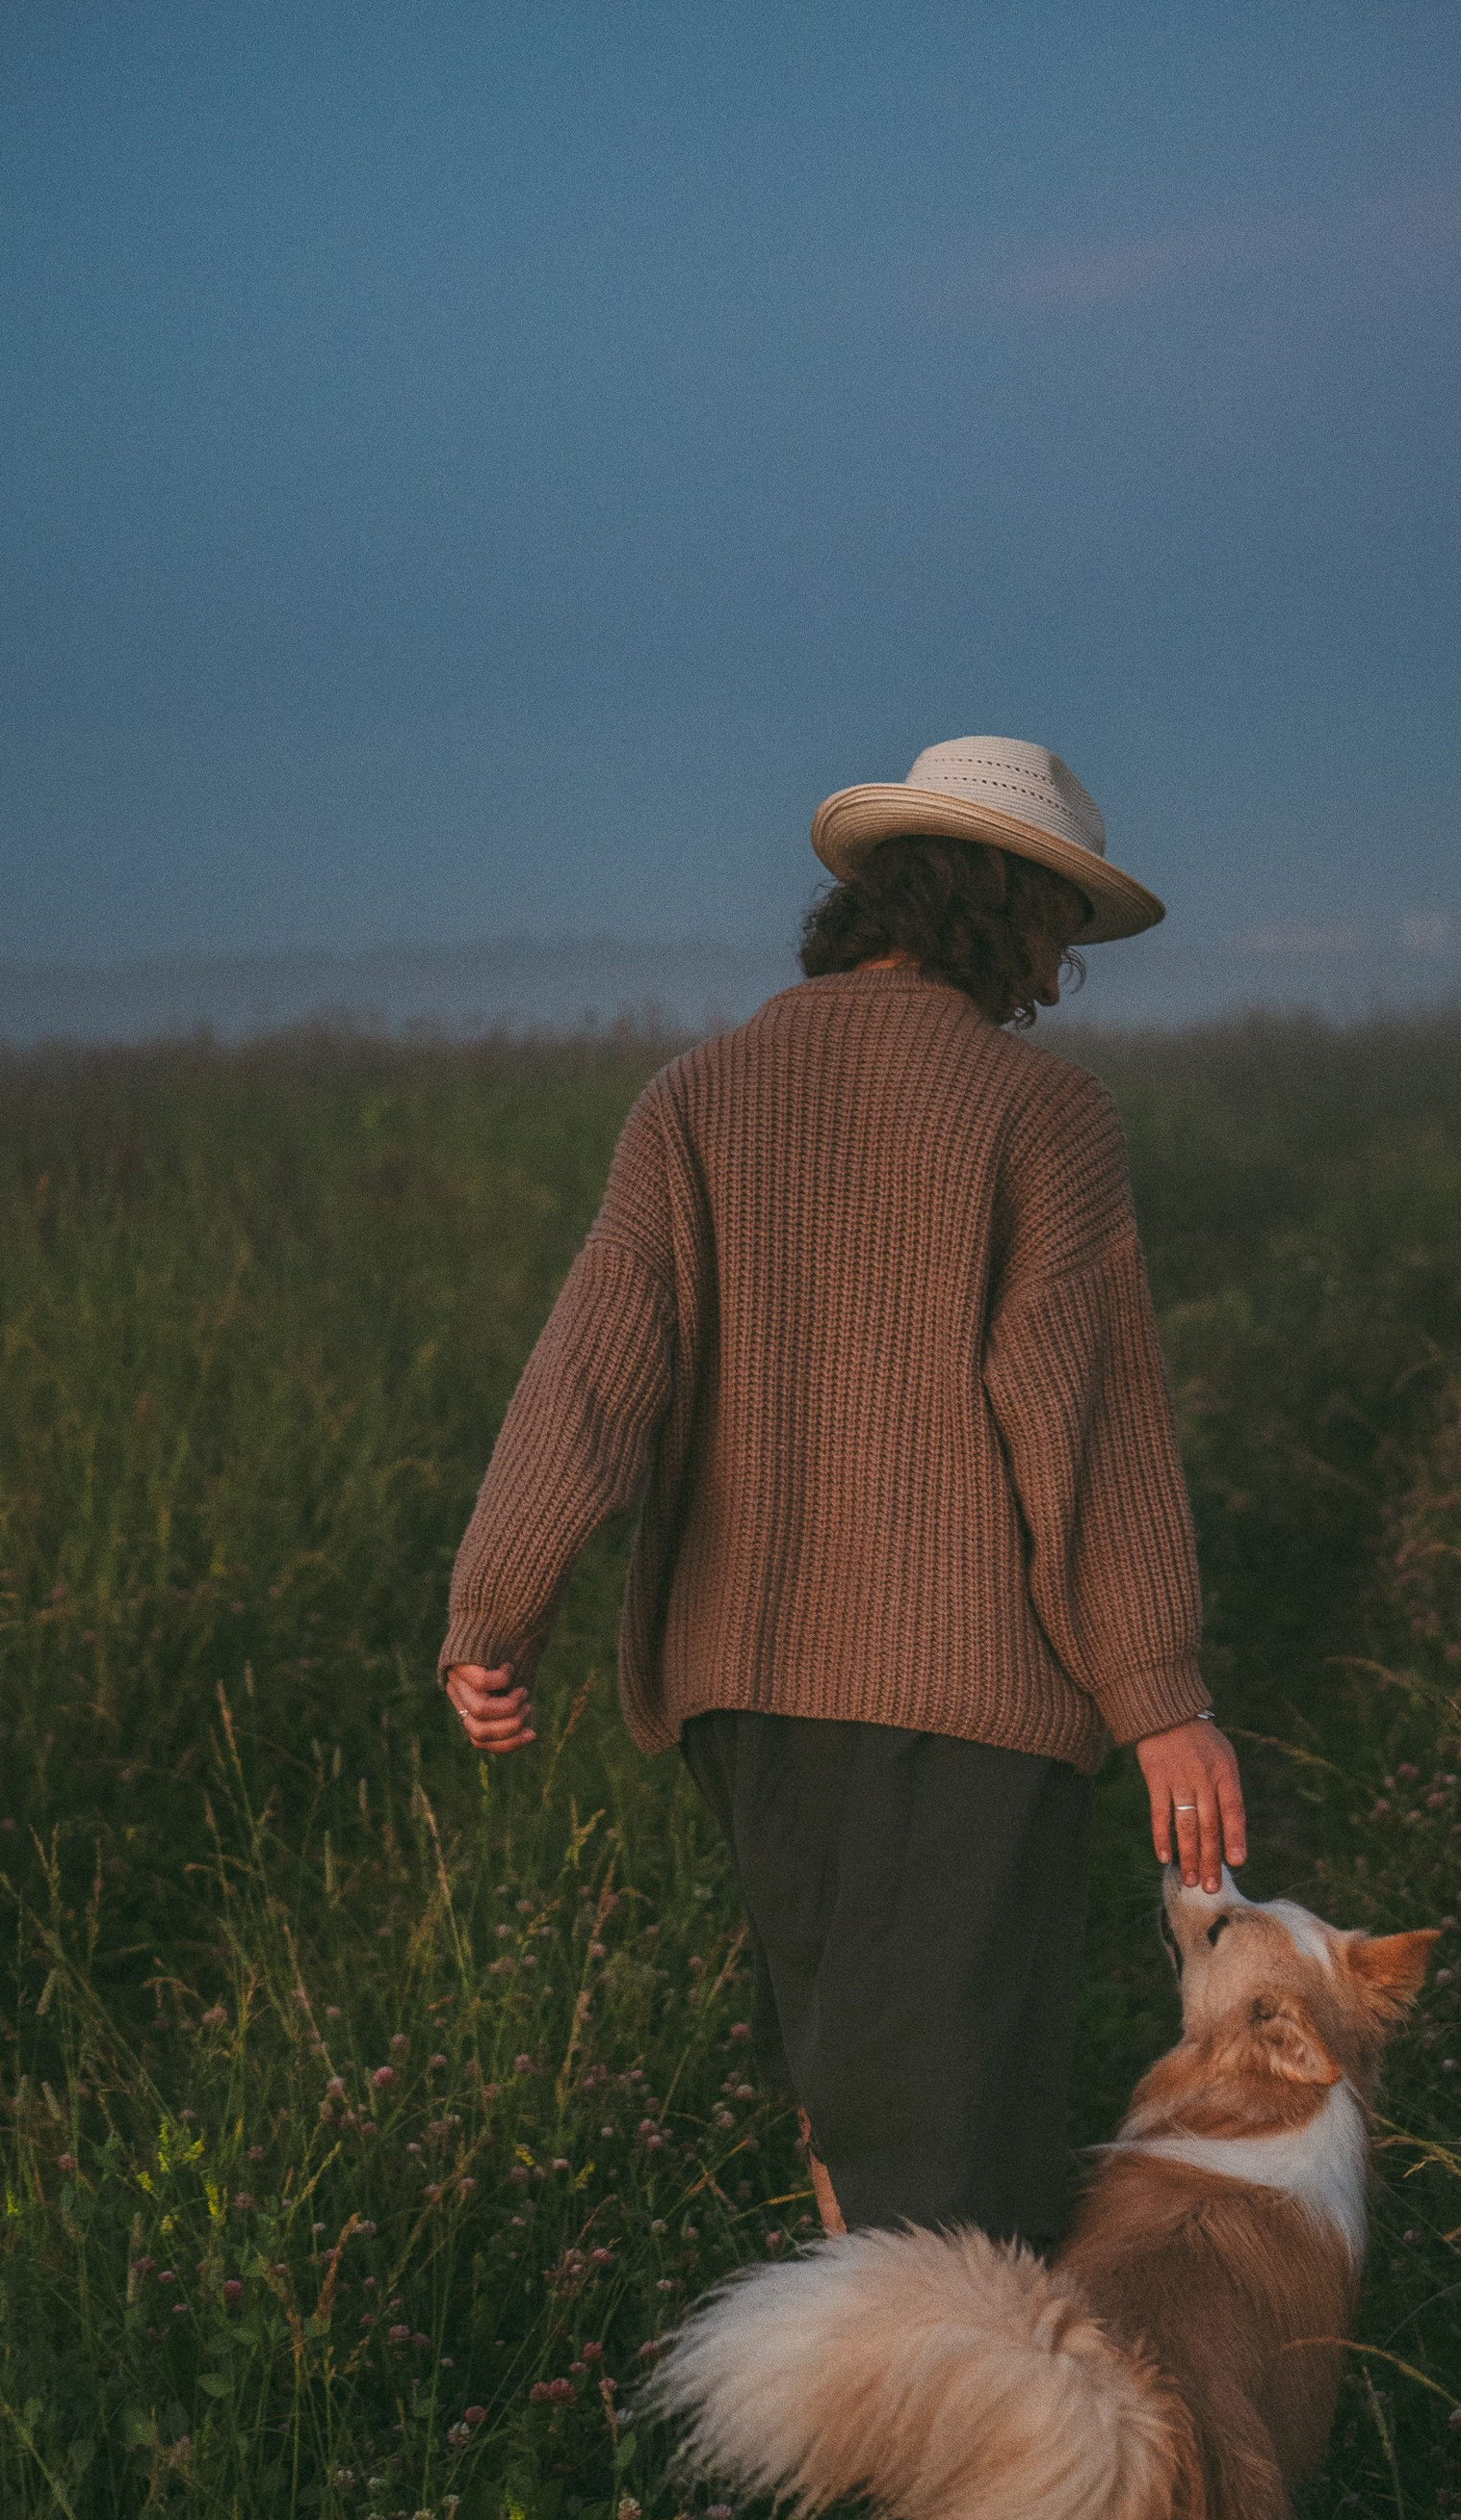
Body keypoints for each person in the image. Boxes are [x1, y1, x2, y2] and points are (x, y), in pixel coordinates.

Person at [439, 733, 1244, 2269]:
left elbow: (589, 1377)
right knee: (958, 2130)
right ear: (1003, 911)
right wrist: (1161, 1696)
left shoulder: (697, 1095)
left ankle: (877, 2456)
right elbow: (1087, 1430)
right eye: (1057, 932)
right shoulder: (1041, 1116)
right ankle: (959, 2486)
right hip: (966, 1697)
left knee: (842, 2082)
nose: (1058, 975)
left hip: (744, 1691)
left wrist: (498, 1611)